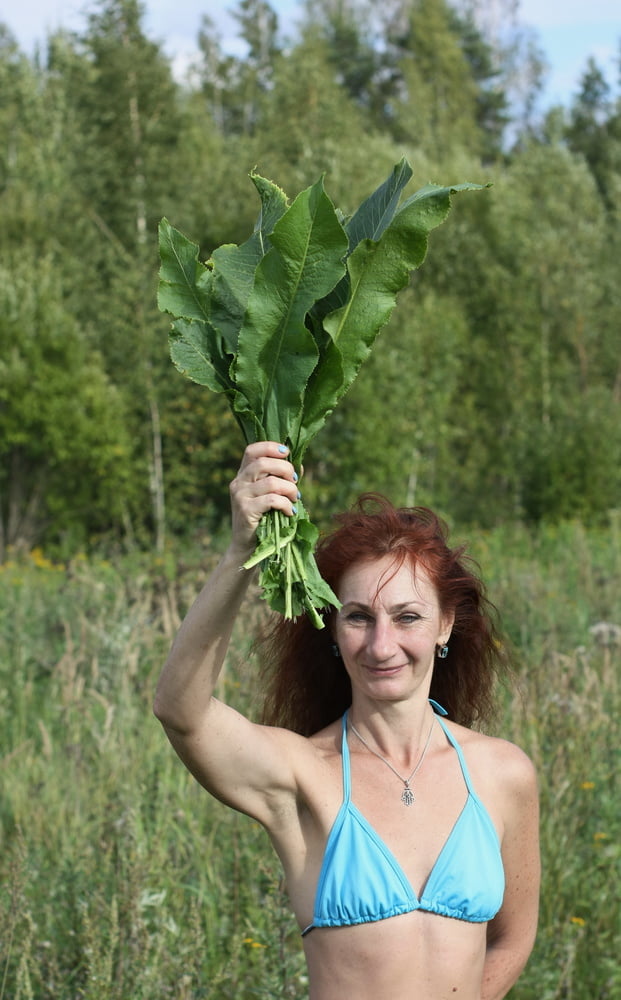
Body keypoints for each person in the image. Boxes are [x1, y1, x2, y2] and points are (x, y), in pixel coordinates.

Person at [153, 441, 540, 1000]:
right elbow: (180, 712)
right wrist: (243, 547)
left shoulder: (503, 774)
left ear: (445, 624)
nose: (382, 645)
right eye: (358, 617)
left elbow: (512, 938)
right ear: (333, 631)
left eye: (407, 616)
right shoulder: (303, 774)